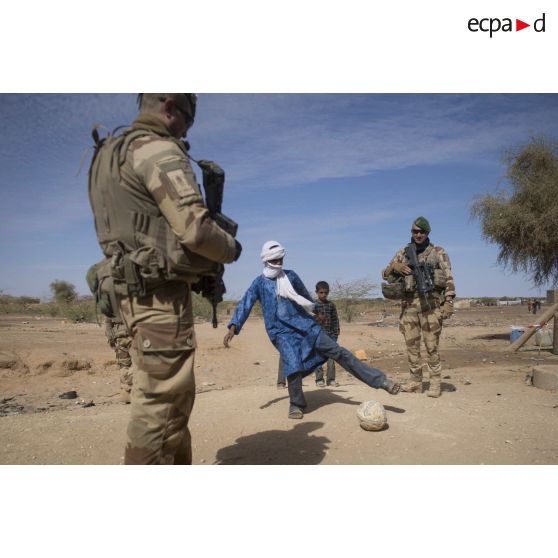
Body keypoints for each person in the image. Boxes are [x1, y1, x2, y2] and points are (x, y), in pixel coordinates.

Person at [88, 94, 241, 464]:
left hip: (128, 291)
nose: (188, 127)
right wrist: (232, 249)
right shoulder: (158, 150)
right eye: (188, 117)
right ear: (170, 106)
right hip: (157, 298)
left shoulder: (109, 154)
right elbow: (196, 231)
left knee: (166, 402)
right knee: (161, 405)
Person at [224, 241, 400, 419]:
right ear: (266, 259)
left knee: (338, 352)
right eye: (275, 259)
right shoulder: (258, 284)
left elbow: (305, 297)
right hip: (280, 332)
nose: (278, 262)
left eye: (280, 258)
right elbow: (245, 303)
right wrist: (234, 325)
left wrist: (316, 312)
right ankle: (296, 404)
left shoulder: (291, 276)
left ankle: (381, 381)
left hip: (306, 326)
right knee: (292, 365)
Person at [382, 216, 455, 398]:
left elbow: (449, 278)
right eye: (415, 231)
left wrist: (449, 302)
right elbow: (384, 274)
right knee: (412, 346)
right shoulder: (403, 252)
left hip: (430, 305)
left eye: (422, 231)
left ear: (427, 233)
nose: (419, 234)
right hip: (409, 307)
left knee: (431, 346)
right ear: (411, 233)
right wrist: (394, 266)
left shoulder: (438, 252)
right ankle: (415, 381)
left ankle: (435, 382)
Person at [313, 281, 340, 387]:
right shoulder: (313, 305)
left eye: (326, 292)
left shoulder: (331, 305)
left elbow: (335, 320)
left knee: (331, 358)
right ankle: (319, 380)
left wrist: (335, 334)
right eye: (321, 292)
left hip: (330, 335)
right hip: (318, 335)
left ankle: (331, 379)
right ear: (317, 292)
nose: (323, 294)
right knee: (318, 358)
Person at [104, 316, 134, 403]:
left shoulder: (113, 302)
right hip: (133, 335)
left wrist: (110, 337)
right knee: (136, 364)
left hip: (119, 336)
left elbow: (108, 321)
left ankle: (127, 392)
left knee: (124, 365)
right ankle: (130, 392)